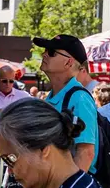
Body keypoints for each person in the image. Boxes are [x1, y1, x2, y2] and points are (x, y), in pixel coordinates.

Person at [37, 35, 98, 173]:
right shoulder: (53, 97)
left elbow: (86, 153)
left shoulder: (79, 98)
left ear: (68, 63)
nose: (44, 54)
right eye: (46, 50)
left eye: (51, 52)